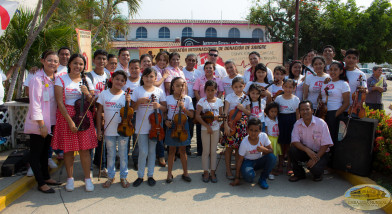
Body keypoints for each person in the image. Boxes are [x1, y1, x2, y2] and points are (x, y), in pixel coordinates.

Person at [51, 54, 97, 192]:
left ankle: (87, 178)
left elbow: (92, 102)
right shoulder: (61, 79)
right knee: (69, 150)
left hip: (84, 116)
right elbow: (59, 102)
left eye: (81, 64)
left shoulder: (87, 80)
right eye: (75, 63)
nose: (78, 66)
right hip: (66, 117)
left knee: (84, 149)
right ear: (69, 64)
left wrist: (87, 93)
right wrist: (70, 121)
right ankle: (70, 179)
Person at [24, 51, 62, 193]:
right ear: (42, 61)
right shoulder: (37, 79)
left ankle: (46, 177)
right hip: (39, 124)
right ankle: (41, 183)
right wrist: (41, 125)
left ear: (58, 64)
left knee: (45, 152)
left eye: (55, 61)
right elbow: (35, 104)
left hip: (51, 122)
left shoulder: (55, 78)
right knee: (36, 154)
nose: (52, 63)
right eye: (49, 60)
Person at [131, 68, 167, 187]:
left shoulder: (159, 91)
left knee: (152, 152)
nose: (148, 78)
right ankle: (140, 175)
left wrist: (159, 106)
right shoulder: (137, 91)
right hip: (141, 126)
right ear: (142, 78)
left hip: (154, 127)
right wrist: (139, 102)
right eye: (146, 76)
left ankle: (150, 175)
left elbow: (165, 108)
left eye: (151, 76)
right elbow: (132, 109)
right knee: (143, 151)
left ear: (155, 78)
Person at [96, 70, 131, 188]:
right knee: (110, 154)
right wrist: (99, 130)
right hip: (109, 130)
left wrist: (128, 102)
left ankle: (123, 176)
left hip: (123, 129)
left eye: (122, 80)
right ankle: (111, 176)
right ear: (112, 79)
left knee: (123, 154)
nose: (119, 82)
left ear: (125, 83)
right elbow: (99, 111)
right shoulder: (104, 94)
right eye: (117, 79)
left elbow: (129, 113)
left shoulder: (126, 96)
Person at [289, 100, 333, 182]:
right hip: (306, 151)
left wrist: (315, 158)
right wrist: (307, 150)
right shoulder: (297, 124)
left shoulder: (321, 123)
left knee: (315, 169)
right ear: (299, 111)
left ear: (312, 110)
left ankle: (318, 174)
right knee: (292, 150)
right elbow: (295, 141)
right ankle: (299, 174)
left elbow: (326, 144)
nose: (305, 112)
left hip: (320, 153)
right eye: (302, 110)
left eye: (307, 109)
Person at [230, 118, 277, 189]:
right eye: (251, 130)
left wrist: (264, 149)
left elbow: (271, 150)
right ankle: (251, 172)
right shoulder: (244, 142)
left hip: (259, 160)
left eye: (256, 131)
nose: (253, 133)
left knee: (272, 157)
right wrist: (237, 177)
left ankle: (263, 178)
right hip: (248, 162)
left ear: (260, 131)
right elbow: (239, 160)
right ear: (247, 130)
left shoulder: (263, 136)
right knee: (249, 178)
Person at [164, 77, 194, 183]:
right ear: (173, 87)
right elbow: (164, 112)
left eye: (182, 85)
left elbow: (191, 115)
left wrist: (184, 108)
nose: (180, 87)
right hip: (172, 126)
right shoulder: (168, 98)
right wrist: (166, 121)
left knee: (183, 151)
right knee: (171, 151)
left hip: (183, 127)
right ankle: (169, 174)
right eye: (177, 85)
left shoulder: (188, 99)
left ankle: (185, 173)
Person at [139, 53, 166, 167]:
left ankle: (160, 156)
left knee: (157, 133)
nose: (147, 63)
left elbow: (164, 107)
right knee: (142, 144)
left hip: (156, 109)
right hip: (142, 117)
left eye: (149, 61)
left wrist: (159, 106)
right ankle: (139, 160)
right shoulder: (139, 83)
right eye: (144, 61)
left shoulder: (156, 73)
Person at [195, 80, 224, 183]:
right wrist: (207, 126)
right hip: (205, 129)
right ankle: (205, 172)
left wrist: (218, 119)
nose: (210, 92)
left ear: (216, 90)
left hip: (216, 128)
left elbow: (221, 116)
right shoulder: (202, 101)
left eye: (212, 90)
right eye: (208, 90)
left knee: (213, 151)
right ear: (205, 90)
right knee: (206, 151)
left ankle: (212, 172)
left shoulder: (219, 101)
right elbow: (197, 116)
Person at [223, 77, 251, 180]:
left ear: (244, 86)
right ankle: (228, 169)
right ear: (232, 87)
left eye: (240, 86)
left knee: (239, 148)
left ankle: (238, 170)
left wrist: (242, 108)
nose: (238, 89)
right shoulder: (229, 97)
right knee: (229, 148)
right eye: (236, 87)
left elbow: (249, 113)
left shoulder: (246, 97)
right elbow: (225, 111)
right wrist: (225, 125)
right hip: (231, 124)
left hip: (242, 125)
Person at [193, 62, 223, 156]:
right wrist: (203, 102)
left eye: (210, 68)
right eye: (207, 68)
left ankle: (211, 150)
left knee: (213, 127)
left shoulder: (218, 80)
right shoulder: (199, 79)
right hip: (202, 106)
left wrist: (214, 102)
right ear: (204, 69)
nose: (208, 70)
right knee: (200, 127)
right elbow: (196, 92)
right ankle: (200, 150)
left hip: (214, 106)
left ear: (214, 69)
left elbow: (221, 92)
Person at [274, 79, 300, 176]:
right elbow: (276, 113)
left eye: (290, 87)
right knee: (281, 144)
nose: (288, 89)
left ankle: (289, 165)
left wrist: (297, 125)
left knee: (289, 145)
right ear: (283, 87)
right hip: (281, 121)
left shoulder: (296, 99)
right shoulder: (278, 98)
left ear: (294, 88)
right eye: (286, 86)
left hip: (292, 121)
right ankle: (280, 164)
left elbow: (298, 114)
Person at [321, 62, 350, 144]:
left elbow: (346, 103)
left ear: (341, 71)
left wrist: (335, 115)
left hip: (334, 113)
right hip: (323, 113)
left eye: (335, 70)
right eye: (331, 70)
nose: (332, 72)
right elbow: (321, 97)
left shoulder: (343, 84)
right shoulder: (326, 82)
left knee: (332, 138)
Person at [182, 53, 200, 155]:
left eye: (193, 61)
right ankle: (181, 145)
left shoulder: (198, 73)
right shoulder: (181, 71)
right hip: (183, 99)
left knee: (190, 124)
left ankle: (188, 146)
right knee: (182, 122)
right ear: (185, 60)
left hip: (194, 100)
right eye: (189, 60)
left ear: (196, 62)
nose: (191, 62)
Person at [264, 102, 281, 179]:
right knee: (270, 155)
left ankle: (273, 169)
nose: (274, 113)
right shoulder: (266, 119)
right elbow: (266, 131)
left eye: (275, 111)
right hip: (270, 139)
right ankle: (269, 172)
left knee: (276, 155)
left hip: (277, 139)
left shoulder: (277, 119)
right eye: (272, 111)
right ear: (268, 111)